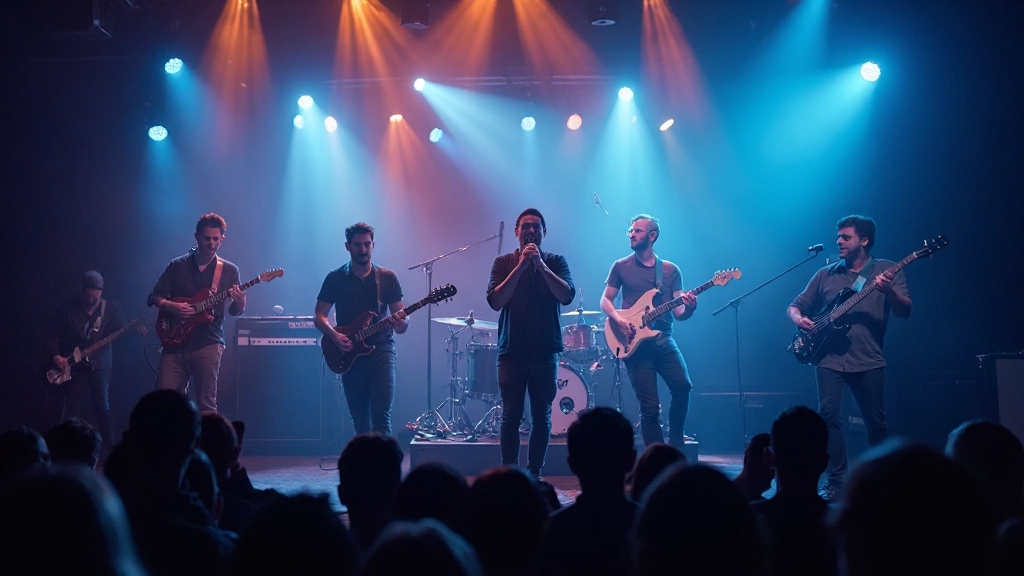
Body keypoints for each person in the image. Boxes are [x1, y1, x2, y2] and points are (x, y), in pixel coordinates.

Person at [787, 215, 912, 501]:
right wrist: (800, 320)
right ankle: (836, 482)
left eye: (846, 237)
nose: (839, 241)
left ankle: (879, 479)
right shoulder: (826, 274)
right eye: (839, 237)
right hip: (828, 357)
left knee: (875, 421)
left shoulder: (887, 270)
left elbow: (905, 311)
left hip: (868, 358)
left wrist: (889, 291)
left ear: (864, 240)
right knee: (829, 417)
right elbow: (796, 305)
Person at [486, 208, 575, 478]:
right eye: (525, 226)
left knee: (542, 418)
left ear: (544, 232)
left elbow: (566, 295)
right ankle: (509, 474)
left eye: (536, 226)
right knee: (510, 417)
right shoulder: (503, 262)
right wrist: (521, 266)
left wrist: (540, 266)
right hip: (511, 352)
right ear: (516, 231)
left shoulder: (556, 261)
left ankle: (535, 473)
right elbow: (495, 301)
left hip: (545, 352)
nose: (531, 231)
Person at [600, 214, 696, 449]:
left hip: (663, 338)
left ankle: (675, 442)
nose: (631, 234)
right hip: (633, 342)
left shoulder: (670, 270)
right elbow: (606, 299)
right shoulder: (620, 266)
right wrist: (618, 320)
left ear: (652, 236)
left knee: (683, 386)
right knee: (650, 408)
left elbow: (679, 312)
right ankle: (658, 463)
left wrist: (691, 307)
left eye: (637, 231)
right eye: (630, 231)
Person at [314, 222, 408, 435]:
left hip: (382, 351)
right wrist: (335, 336)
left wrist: (401, 322)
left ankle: (383, 467)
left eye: (367, 244)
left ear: (373, 245)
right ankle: (364, 466)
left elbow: (403, 323)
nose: (363, 250)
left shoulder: (387, 277)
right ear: (347, 246)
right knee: (360, 422)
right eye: (357, 245)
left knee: (381, 417)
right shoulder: (335, 278)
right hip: (349, 353)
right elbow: (319, 316)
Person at [149, 213, 245, 413]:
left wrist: (240, 301)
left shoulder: (229, 270)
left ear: (222, 239)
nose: (211, 243)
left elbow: (235, 311)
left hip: (208, 343)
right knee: (164, 404)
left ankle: (206, 443)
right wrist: (173, 306)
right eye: (206, 238)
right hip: (174, 344)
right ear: (196, 237)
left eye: (215, 239)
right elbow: (154, 297)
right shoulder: (177, 265)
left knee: (206, 405)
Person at [45, 270, 125, 448]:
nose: (92, 299)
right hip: (75, 365)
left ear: (101, 292)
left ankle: (110, 446)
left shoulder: (110, 307)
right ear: (81, 289)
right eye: (88, 294)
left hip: (101, 365)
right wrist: (56, 355)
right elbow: (53, 333)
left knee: (102, 405)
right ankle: (67, 446)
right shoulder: (66, 307)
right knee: (71, 406)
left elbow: (120, 330)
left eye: (95, 294)